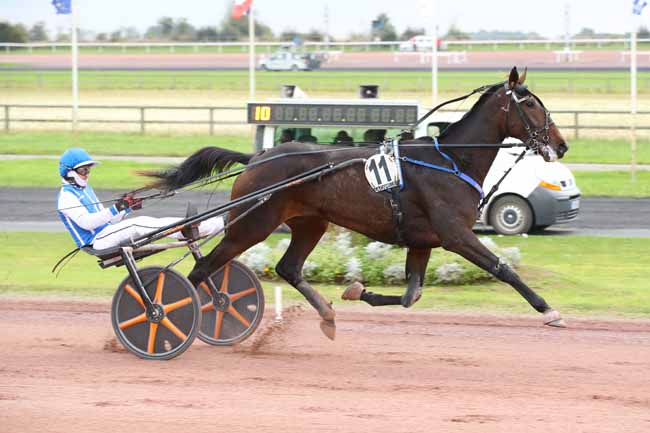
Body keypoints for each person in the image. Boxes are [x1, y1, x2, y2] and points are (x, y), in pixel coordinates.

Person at [56, 148, 223, 250]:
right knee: (139, 223)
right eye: (83, 171)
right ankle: (201, 227)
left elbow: (107, 220)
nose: (87, 174)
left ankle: (199, 225)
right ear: (69, 172)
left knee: (147, 221)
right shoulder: (66, 198)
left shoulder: (85, 190)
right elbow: (88, 223)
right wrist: (117, 207)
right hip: (96, 241)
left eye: (88, 170)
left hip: (105, 234)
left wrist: (127, 208)